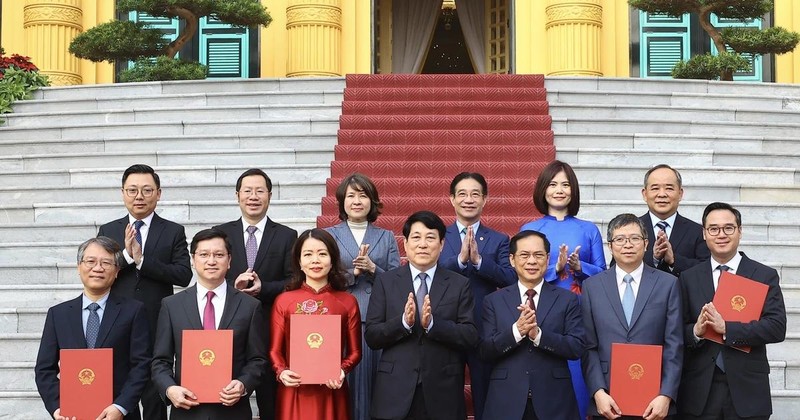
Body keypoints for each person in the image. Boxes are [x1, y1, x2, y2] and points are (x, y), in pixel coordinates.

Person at [97, 164, 192, 420]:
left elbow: (184, 275)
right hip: (116, 321)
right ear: (123, 193)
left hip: (156, 321)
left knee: (153, 395)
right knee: (119, 392)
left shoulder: (173, 231)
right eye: (132, 190)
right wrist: (127, 256)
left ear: (158, 193)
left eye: (146, 190)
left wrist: (143, 261)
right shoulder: (108, 230)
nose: (139, 196)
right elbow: (99, 273)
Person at [366, 211, 479, 420]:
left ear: (442, 244)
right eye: (416, 238)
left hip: (443, 393)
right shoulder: (386, 282)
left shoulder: (458, 284)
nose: (423, 244)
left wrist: (434, 325)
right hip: (394, 391)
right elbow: (372, 335)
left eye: (430, 238)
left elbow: (470, 335)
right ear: (406, 244)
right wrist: (403, 323)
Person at [677, 202, 786, 420]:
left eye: (729, 228)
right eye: (714, 229)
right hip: (699, 392)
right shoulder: (689, 277)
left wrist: (727, 328)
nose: (721, 235)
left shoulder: (763, 275)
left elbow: (776, 327)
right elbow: (677, 329)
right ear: (704, 234)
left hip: (748, 391)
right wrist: (696, 332)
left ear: (740, 231)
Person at [151, 229, 268, 419]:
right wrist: (170, 388)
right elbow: (160, 361)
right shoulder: (171, 305)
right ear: (192, 259)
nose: (211, 261)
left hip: (233, 411)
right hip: (187, 411)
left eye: (219, 255)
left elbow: (257, 360)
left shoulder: (250, 306)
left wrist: (243, 384)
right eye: (204, 255)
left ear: (229, 260)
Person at [519, 160, 605, 418]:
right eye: (553, 184)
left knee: (578, 378)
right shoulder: (530, 228)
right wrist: (554, 270)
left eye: (566, 184)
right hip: (543, 311)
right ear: (543, 189)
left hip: (579, 312)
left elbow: (603, 274)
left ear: (573, 190)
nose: (559, 190)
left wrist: (580, 267)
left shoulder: (588, 229)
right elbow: (521, 271)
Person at [35, 237, 151, 420]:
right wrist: (57, 407)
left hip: (119, 414)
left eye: (106, 263)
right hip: (71, 414)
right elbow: (44, 369)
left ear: (117, 271)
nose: (98, 268)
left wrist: (120, 407)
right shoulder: (58, 314)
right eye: (91, 261)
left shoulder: (133, 311)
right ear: (78, 267)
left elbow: (141, 364)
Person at [213, 168, 298, 419]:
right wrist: (232, 285)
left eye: (260, 191)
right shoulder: (221, 234)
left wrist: (264, 288)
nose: (253, 196)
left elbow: (293, 281)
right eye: (247, 191)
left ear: (269, 196)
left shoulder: (286, 235)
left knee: (270, 398)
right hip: (228, 326)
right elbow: (209, 275)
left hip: (269, 326)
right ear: (237, 195)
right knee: (226, 392)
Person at [581, 213, 682, 420]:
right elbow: (588, 346)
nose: (627, 244)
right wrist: (598, 392)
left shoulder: (668, 284)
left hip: (654, 400)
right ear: (610, 246)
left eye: (635, 238)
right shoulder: (592, 286)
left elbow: (674, 344)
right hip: (608, 399)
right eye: (620, 239)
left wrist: (666, 394)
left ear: (646, 244)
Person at [480, 230, 585, 420]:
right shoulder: (493, 301)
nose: (531, 261)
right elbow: (485, 350)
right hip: (506, 401)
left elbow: (576, 347)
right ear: (512, 260)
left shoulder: (567, 299)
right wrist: (516, 332)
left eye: (538, 255)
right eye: (524, 255)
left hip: (555, 402)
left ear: (547, 258)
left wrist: (538, 335)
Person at [438, 171, 516, 420]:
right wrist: (460, 261)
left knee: (485, 394)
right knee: (447, 396)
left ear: (485, 199)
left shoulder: (499, 239)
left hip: (484, 327)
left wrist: (479, 261)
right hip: (447, 324)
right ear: (451, 199)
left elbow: (511, 278)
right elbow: (431, 273)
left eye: (475, 194)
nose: (468, 199)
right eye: (462, 194)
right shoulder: (438, 237)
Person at [324, 173, 400, 420]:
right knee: (343, 384)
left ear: (372, 201)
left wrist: (373, 269)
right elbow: (322, 276)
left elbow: (397, 281)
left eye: (363, 195)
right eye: (351, 196)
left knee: (374, 384)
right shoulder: (329, 235)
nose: (357, 201)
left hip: (374, 318)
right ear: (342, 202)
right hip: (339, 317)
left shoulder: (386, 236)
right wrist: (354, 273)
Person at [269, 228, 362, 419]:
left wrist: (342, 370)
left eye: (322, 254)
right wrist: (281, 371)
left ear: (333, 259)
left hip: (332, 389)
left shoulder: (347, 301)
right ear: (299, 261)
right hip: (294, 390)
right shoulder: (284, 301)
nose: (315, 260)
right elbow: (274, 350)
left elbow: (355, 352)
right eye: (308, 254)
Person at [640, 164, 709, 276]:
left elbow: (707, 270)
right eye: (655, 188)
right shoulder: (631, 229)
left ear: (680, 193)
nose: (662, 194)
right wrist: (654, 258)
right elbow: (617, 267)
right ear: (645, 194)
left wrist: (674, 260)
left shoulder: (697, 232)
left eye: (669, 188)